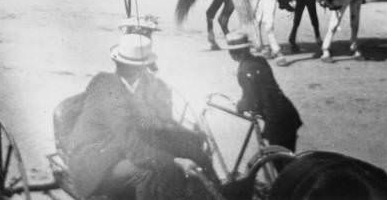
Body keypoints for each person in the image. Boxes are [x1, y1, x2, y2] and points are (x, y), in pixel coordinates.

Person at [65, 33, 214, 200]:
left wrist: (190, 141)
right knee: (151, 171)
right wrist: (175, 160)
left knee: (193, 151)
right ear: (138, 68)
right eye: (147, 66)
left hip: (119, 147)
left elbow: (155, 125)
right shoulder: (109, 90)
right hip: (96, 161)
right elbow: (134, 148)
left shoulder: (135, 86)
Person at [225, 31, 302, 151]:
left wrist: (239, 106)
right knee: (289, 155)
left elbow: (251, 99)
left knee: (280, 163)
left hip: (275, 120)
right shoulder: (261, 60)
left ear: (234, 53)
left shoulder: (243, 71)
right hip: (287, 111)